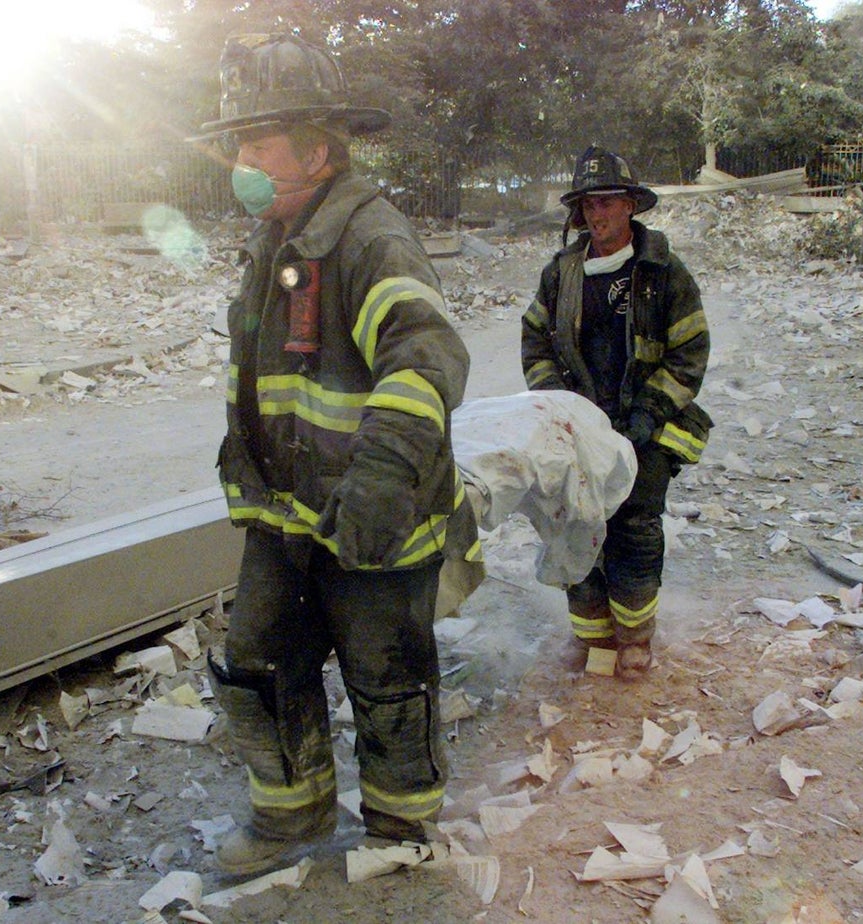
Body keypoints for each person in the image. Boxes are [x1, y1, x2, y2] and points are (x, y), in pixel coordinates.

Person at [196, 33, 480, 876]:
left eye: (258, 142)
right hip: (287, 515)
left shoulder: (369, 238)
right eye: (234, 143)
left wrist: (383, 479)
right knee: (260, 661)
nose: (240, 161)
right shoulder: (277, 239)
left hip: (373, 516)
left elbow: (427, 356)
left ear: (315, 149)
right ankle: (292, 818)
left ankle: (399, 834)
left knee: (386, 680)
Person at [521, 145, 712, 678]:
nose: (597, 214)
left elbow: (690, 352)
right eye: (588, 205)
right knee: (575, 523)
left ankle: (634, 638)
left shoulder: (663, 273)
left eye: (606, 202)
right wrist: (557, 403)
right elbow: (534, 340)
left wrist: (649, 413)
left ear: (630, 205)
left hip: (644, 431)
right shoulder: (561, 274)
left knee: (634, 529)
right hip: (578, 431)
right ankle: (591, 636)